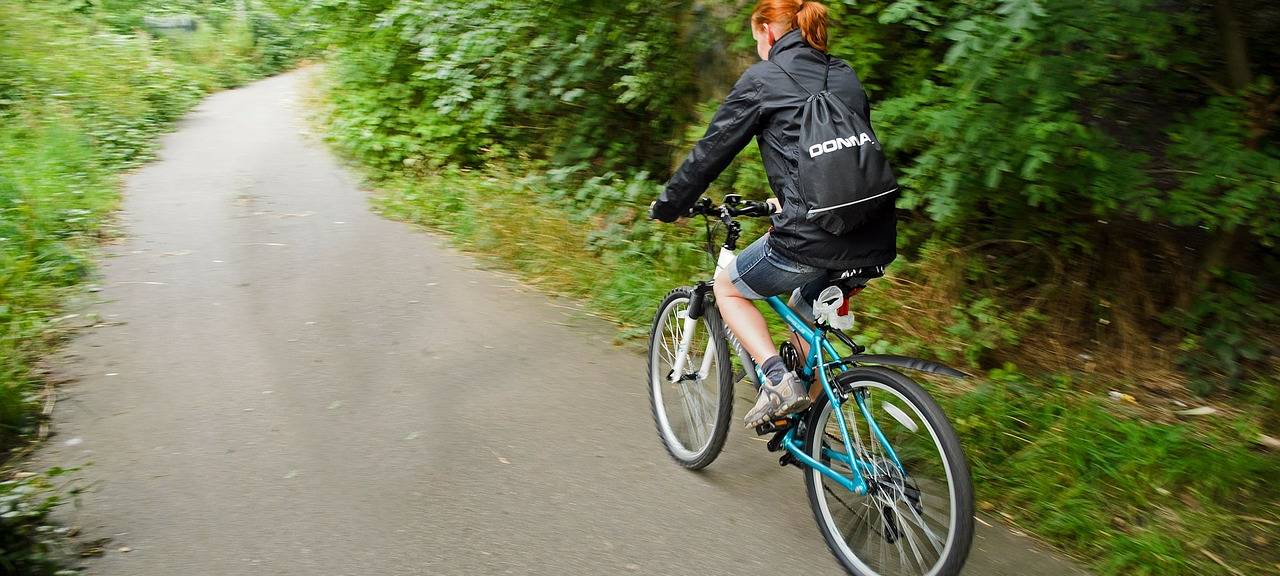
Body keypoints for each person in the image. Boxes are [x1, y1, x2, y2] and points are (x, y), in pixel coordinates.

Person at [649, 0, 896, 428]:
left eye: (756, 39)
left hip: (812, 238)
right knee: (805, 309)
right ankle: (807, 427)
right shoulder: (843, 73)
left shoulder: (762, 79)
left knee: (727, 288)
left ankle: (778, 381)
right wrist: (790, 197)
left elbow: (711, 151)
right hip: (874, 234)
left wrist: (671, 204)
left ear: (767, 31)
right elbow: (841, 158)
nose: (758, 48)